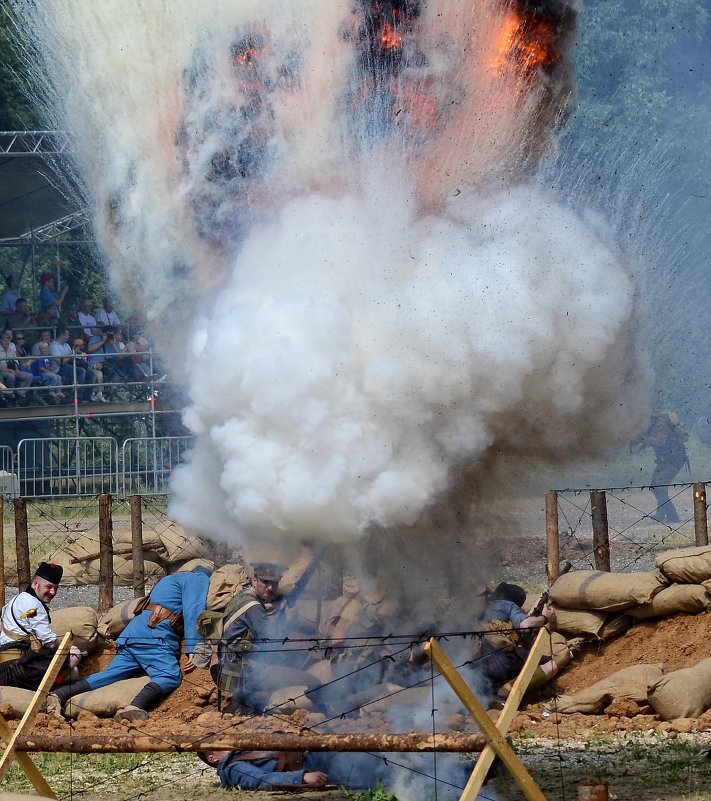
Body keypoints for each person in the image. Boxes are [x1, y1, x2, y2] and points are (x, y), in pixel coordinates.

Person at [46, 566, 212, 722]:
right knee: (169, 676)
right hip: (153, 636)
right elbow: (194, 611)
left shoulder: (169, 580)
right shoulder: (197, 578)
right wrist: (193, 647)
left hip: (132, 635)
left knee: (110, 675)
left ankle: (59, 694)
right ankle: (134, 707)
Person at [0, 562, 83, 689]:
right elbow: (50, 643)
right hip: (12, 669)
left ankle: (57, 679)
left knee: (70, 668)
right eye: (49, 586)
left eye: (55, 588)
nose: (52, 592)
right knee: (74, 654)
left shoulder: (20, 597)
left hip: (8, 665)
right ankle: (53, 683)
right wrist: (64, 647)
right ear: (35, 584)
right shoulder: (34, 607)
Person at [477, 582, 558, 707]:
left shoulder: (478, 607)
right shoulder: (507, 605)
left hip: (473, 661)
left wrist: (540, 600)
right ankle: (503, 693)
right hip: (497, 656)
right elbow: (525, 626)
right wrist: (544, 618)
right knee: (551, 665)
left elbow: (526, 617)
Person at [630, 411, 689, 523]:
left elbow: (661, 441)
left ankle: (672, 516)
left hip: (674, 459)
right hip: (667, 459)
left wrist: (644, 439)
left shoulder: (660, 424)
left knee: (659, 488)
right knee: (656, 486)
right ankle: (661, 513)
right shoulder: (652, 425)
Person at [199, 750, 331, 791]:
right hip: (311, 766)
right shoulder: (231, 768)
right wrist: (302, 777)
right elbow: (260, 780)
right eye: (218, 743)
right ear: (212, 758)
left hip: (313, 756)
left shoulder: (238, 752)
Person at [48, 325, 97, 402]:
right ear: (62, 335)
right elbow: (60, 363)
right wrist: (73, 353)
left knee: (92, 373)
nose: (69, 336)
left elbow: (71, 358)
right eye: (67, 334)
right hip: (59, 369)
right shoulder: (54, 346)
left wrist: (80, 356)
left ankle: (87, 397)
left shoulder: (66, 345)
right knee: (81, 371)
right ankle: (79, 397)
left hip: (70, 365)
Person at [0, 329, 33, 404]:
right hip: (3, 371)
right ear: (0, 340)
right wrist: (10, 370)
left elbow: (15, 362)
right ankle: (11, 396)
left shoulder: (11, 350)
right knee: (11, 376)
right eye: (4, 340)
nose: (6, 342)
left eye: (8, 340)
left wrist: (17, 370)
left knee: (29, 376)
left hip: (13, 370)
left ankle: (19, 393)